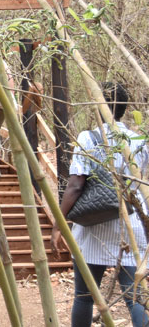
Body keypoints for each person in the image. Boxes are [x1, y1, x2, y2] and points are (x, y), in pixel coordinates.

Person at [51, 82, 149, 327]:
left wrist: (58, 223)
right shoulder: (139, 140)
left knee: (84, 297)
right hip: (132, 224)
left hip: (94, 227)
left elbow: (75, 185)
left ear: (98, 106)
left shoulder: (89, 137)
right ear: (125, 109)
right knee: (134, 296)